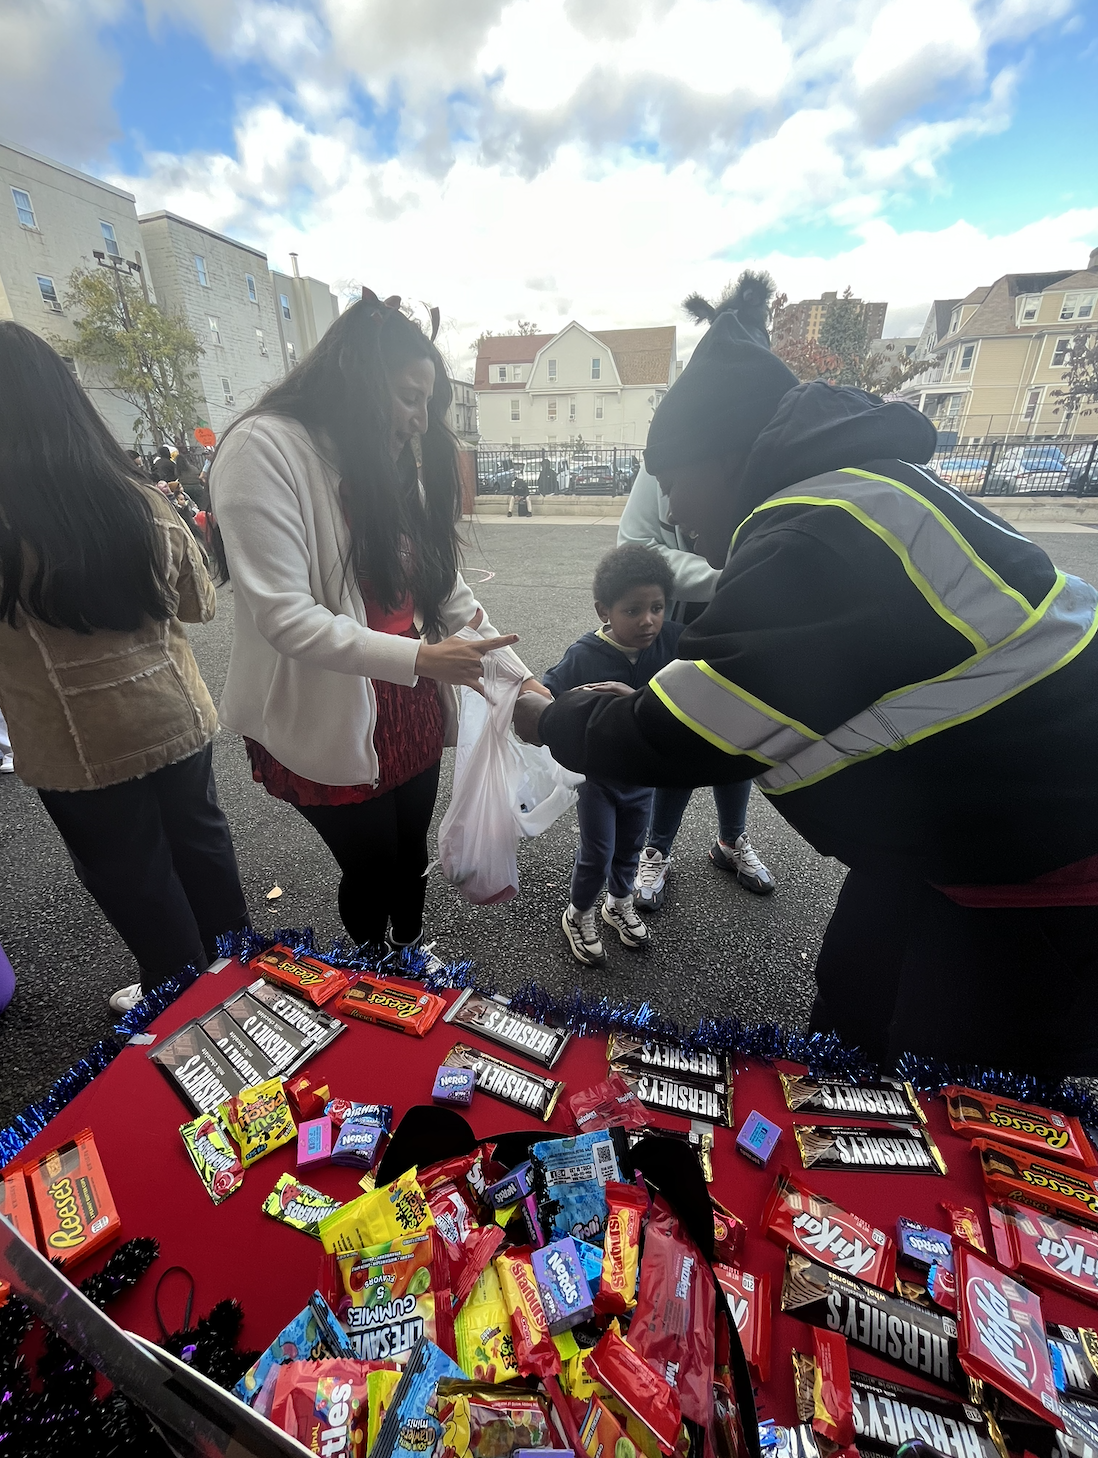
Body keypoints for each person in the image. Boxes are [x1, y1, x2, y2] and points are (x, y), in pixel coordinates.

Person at [514, 271, 1098, 1079]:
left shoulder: (818, 530)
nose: (676, 514)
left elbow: (687, 733)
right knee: (849, 1011)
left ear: (726, 457)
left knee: (942, 1098)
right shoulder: (862, 494)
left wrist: (549, 719)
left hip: (1034, 874)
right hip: (948, 844)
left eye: (676, 483)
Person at [210, 290, 546, 955]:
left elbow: (450, 596)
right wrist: (421, 660)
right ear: (356, 380)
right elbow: (285, 616)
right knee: (369, 864)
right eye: (410, 397)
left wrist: (525, 684)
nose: (422, 421)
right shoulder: (262, 447)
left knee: (410, 849)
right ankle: (369, 965)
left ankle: (411, 952)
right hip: (325, 707)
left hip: (409, 699)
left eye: (429, 402)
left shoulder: (389, 466)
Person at [0, 322, 249, 1011]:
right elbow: (199, 603)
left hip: (74, 744)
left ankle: (182, 1009)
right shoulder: (138, 499)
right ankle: (244, 989)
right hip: (173, 715)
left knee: (133, 876)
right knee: (201, 848)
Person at [618, 465, 775, 908]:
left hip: (748, 617)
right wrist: (732, 576)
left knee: (737, 733)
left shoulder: (766, 458)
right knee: (680, 732)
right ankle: (656, 850)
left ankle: (731, 841)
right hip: (683, 619)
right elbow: (636, 543)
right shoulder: (666, 457)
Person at [543, 545, 683, 965]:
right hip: (598, 779)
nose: (648, 620)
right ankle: (579, 912)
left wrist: (638, 701)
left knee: (630, 848)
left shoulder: (672, 642)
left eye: (657, 607)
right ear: (604, 610)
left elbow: (691, 694)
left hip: (641, 777)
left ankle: (618, 903)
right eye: (633, 610)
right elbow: (549, 695)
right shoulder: (585, 654)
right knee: (598, 851)